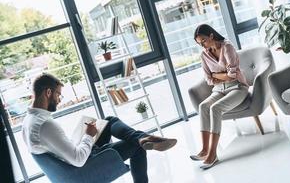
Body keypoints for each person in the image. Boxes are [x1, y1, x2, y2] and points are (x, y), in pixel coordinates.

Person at [22, 74, 177, 183]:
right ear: (48, 92)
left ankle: (142, 137)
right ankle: (142, 139)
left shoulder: (29, 121)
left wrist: (83, 138)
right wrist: (88, 136)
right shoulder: (45, 125)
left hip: (68, 170)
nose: (59, 100)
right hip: (81, 172)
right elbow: (78, 160)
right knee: (136, 147)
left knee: (109, 121)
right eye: (58, 95)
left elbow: (59, 150)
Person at [190, 24, 249, 169]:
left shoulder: (227, 47)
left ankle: (212, 154)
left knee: (215, 109)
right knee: (203, 106)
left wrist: (216, 74)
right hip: (218, 90)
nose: (202, 45)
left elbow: (233, 75)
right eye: (199, 43)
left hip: (237, 87)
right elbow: (209, 80)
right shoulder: (204, 55)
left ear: (211, 35)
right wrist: (220, 76)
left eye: (203, 40)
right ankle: (204, 150)